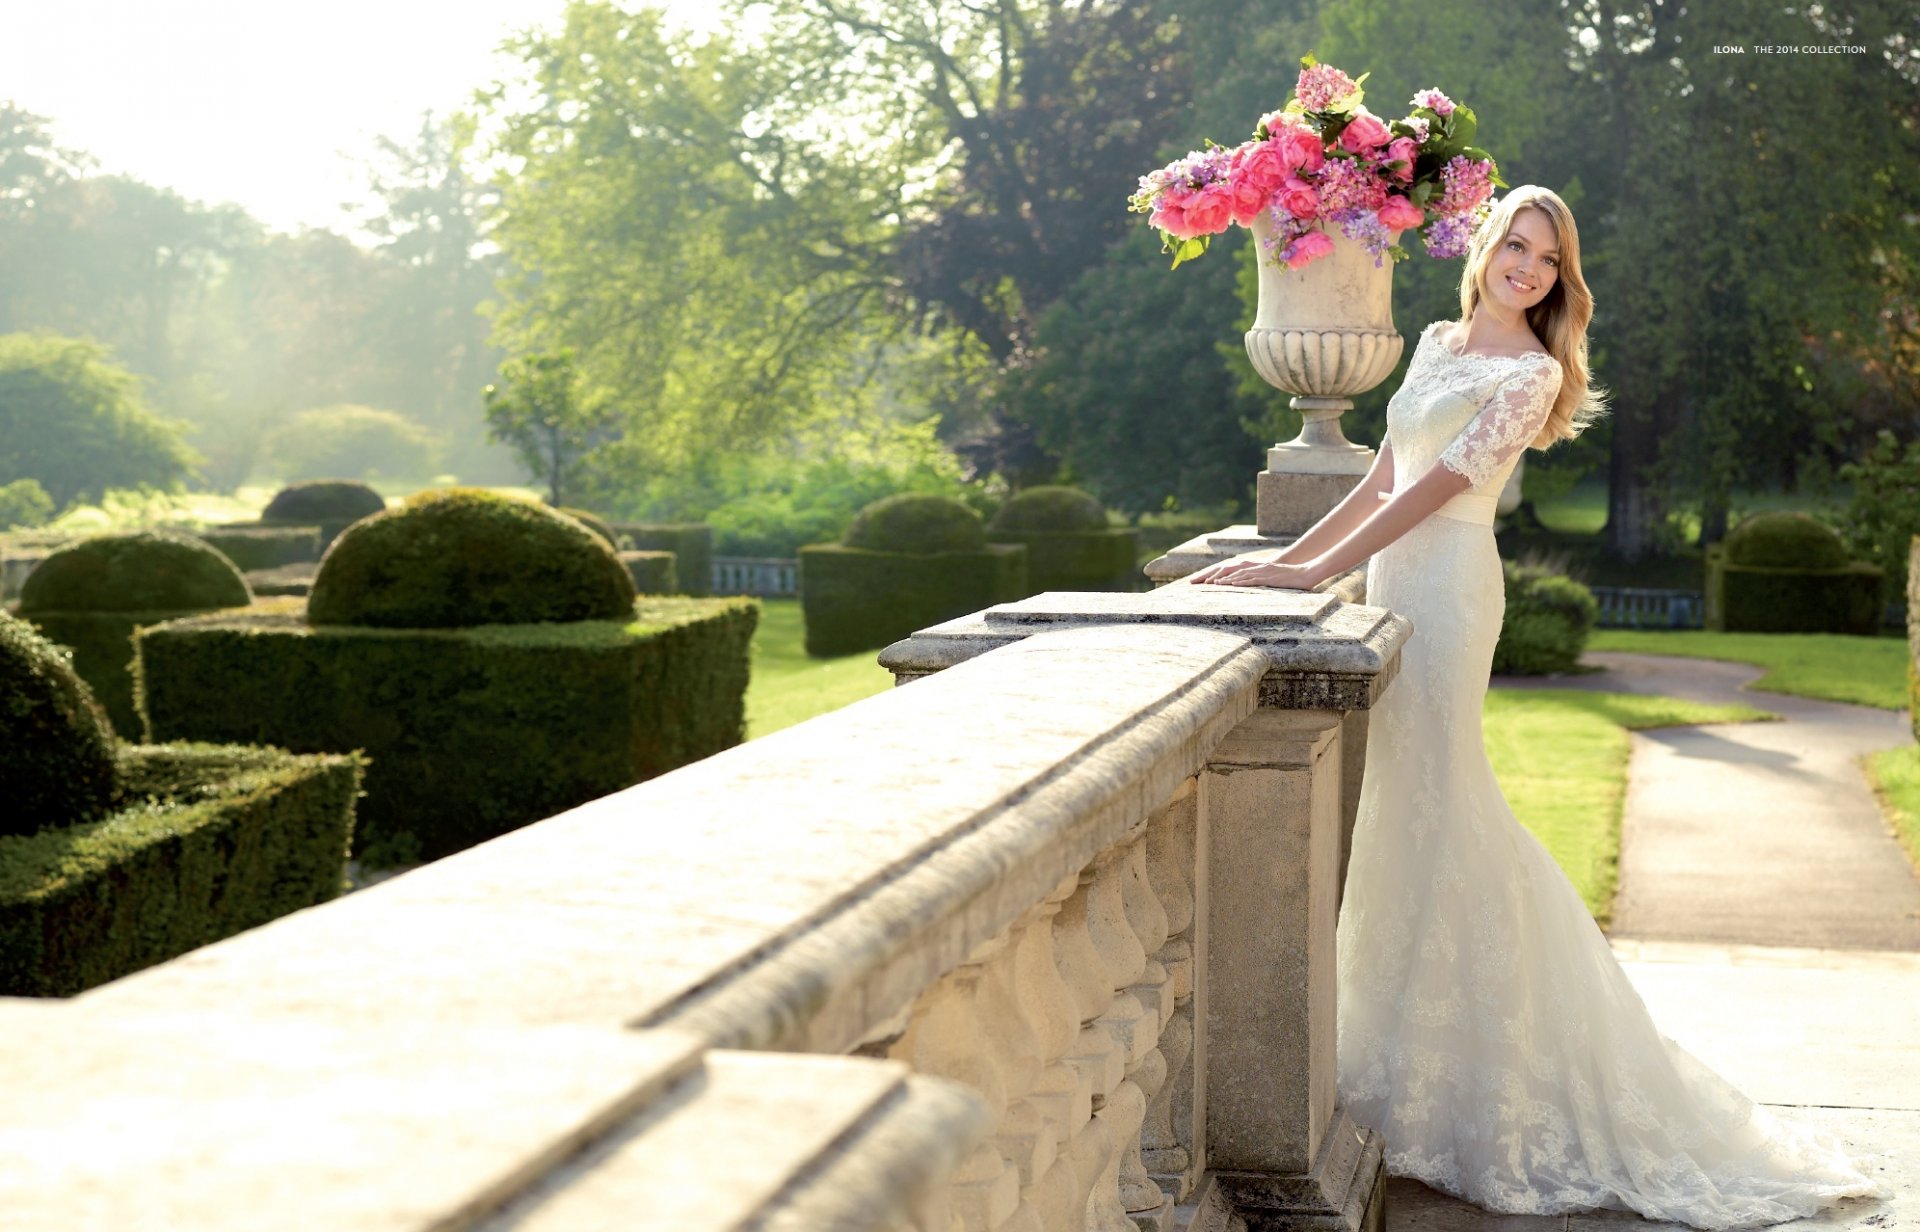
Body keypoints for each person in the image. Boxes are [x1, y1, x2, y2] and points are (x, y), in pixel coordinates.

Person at [1193, 185, 1890, 1227]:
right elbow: (1383, 473)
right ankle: (1398, 1070)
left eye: (1548, 258)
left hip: (1447, 585)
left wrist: (1306, 579)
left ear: (1563, 280)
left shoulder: (1531, 372)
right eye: (1516, 243)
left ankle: (1505, 1075)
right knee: (1398, 813)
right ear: (1486, 245)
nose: (1527, 265)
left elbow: (1428, 498)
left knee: (1445, 804)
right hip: (1393, 577)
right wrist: (1285, 563)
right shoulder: (1432, 336)